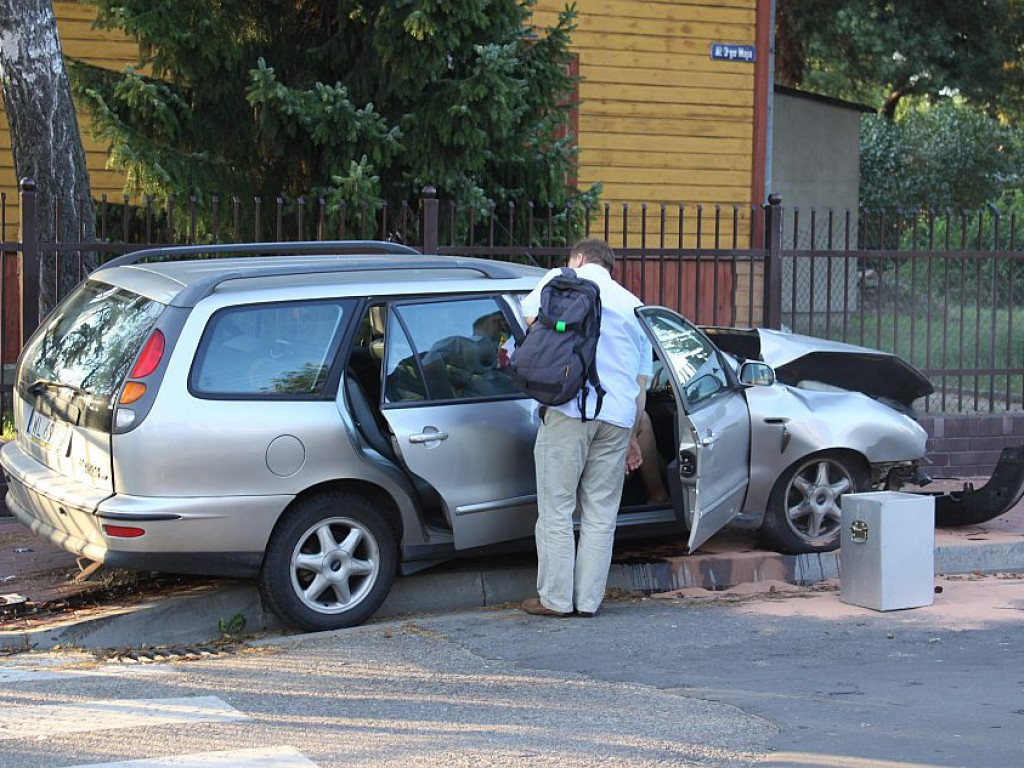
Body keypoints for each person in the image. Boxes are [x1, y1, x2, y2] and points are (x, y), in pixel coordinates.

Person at [520, 238, 653, 618]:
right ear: (610, 266)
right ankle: (589, 601)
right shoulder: (634, 305)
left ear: (578, 258)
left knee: (557, 508)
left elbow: (531, 322)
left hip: (568, 409)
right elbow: (641, 383)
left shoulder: (563, 279)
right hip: (618, 418)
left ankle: (556, 599)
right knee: (601, 513)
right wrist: (633, 436)